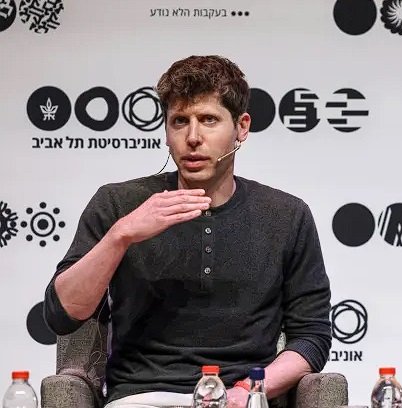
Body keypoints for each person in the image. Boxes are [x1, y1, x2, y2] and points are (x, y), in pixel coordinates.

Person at [43, 55, 332, 408]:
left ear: (241, 127)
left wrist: (248, 390)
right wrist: (120, 237)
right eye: (179, 121)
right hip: (140, 398)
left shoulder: (287, 215)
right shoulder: (118, 204)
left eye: (208, 120)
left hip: (237, 398)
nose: (192, 137)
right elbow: (62, 314)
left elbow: (311, 337)